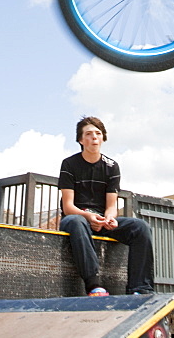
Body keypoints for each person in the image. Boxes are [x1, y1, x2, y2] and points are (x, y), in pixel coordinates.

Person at [58, 116, 154, 296]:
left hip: (101, 220)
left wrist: (110, 219)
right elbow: (68, 207)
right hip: (77, 220)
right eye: (88, 134)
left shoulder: (112, 166)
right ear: (80, 140)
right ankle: (94, 285)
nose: (94, 137)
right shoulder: (69, 164)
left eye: (98, 133)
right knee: (77, 221)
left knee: (141, 227)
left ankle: (140, 288)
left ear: (103, 138)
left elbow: (111, 206)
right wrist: (89, 217)